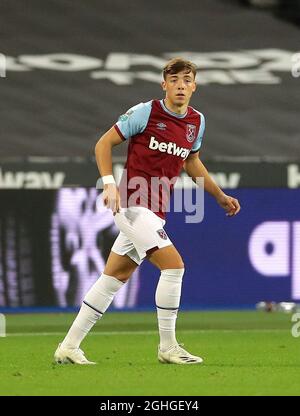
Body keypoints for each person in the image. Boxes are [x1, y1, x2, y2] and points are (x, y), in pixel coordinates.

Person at [54, 57, 241, 365]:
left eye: (187, 80)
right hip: (132, 204)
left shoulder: (196, 122)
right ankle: (168, 347)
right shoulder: (146, 112)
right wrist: (109, 183)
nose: (181, 85)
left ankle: (69, 346)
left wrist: (219, 195)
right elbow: (103, 144)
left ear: (195, 86)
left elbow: (191, 162)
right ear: (164, 84)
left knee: (114, 276)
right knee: (174, 266)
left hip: (156, 209)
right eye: (174, 80)